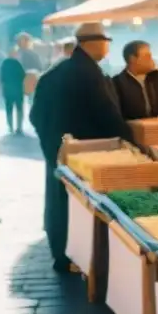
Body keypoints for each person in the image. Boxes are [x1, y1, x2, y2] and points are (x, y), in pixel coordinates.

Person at [30, 22, 133, 272]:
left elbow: (35, 115)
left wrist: (50, 141)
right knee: (76, 207)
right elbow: (107, 114)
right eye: (106, 42)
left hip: (57, 149)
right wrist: (129, 140)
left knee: (58, 200)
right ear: (93, 43)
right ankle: (72, 256)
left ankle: (60, 253)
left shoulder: (55, 72)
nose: (107, 47)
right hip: (84, 154)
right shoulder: (89, 73)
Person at [111, 41, 158, 120]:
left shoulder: (156, 77)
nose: (152, 60)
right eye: (148, 56)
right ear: (133, 59)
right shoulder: (117, 83)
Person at [0, 48, 27, 135]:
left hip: (8, 90)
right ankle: (19, 127)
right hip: (18, 90)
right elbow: (23, 75)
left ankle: (10, 127)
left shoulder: (4, 64)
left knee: (9, 109)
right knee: (19, 108)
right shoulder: (17, 63)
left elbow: (1, 78)